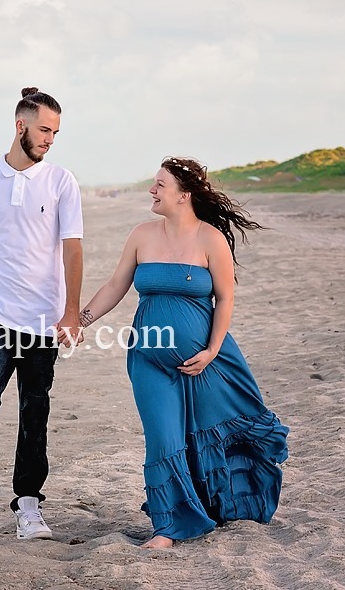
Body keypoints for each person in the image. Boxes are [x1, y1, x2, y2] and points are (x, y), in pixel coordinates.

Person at [78, 156, 289, 548]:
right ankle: (168, 528)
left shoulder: (211, 239)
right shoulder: (142, 235)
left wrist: (210, 350)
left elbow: (224, 300)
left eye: (160, 185)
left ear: (183, 195)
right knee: (163, 438)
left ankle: (215, 505)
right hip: (149, 359)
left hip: (205, 363)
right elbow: (114, 286)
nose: (152, 190)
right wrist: (80, 320)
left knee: (208, 433)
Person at [0, 87, 84, 541]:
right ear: (20, 125)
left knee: (35, 409)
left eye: (56, 132)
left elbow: (73, 249)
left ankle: (29, 507)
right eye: (45, 129)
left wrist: (71, 313)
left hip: (43, 317)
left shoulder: (62, 181)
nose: (50, 139)